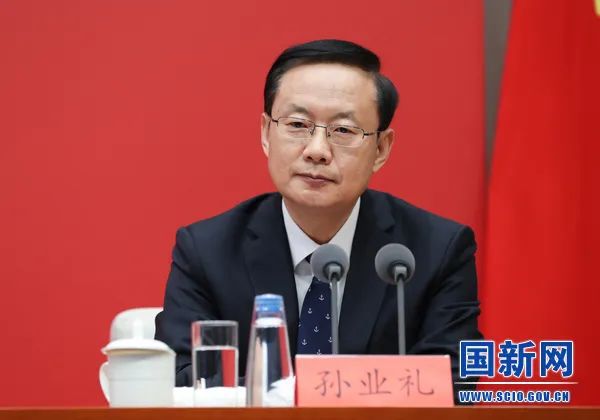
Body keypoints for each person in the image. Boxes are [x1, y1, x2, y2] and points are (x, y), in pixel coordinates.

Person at [155, 39, 482, 397]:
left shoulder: (436, 251)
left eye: (343, 130)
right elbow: (179, 378)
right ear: (266, 133)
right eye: (297, 124)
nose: (317, 151)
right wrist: (305, 396)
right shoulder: (207, 251)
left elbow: (456, 380)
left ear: (381, 149)